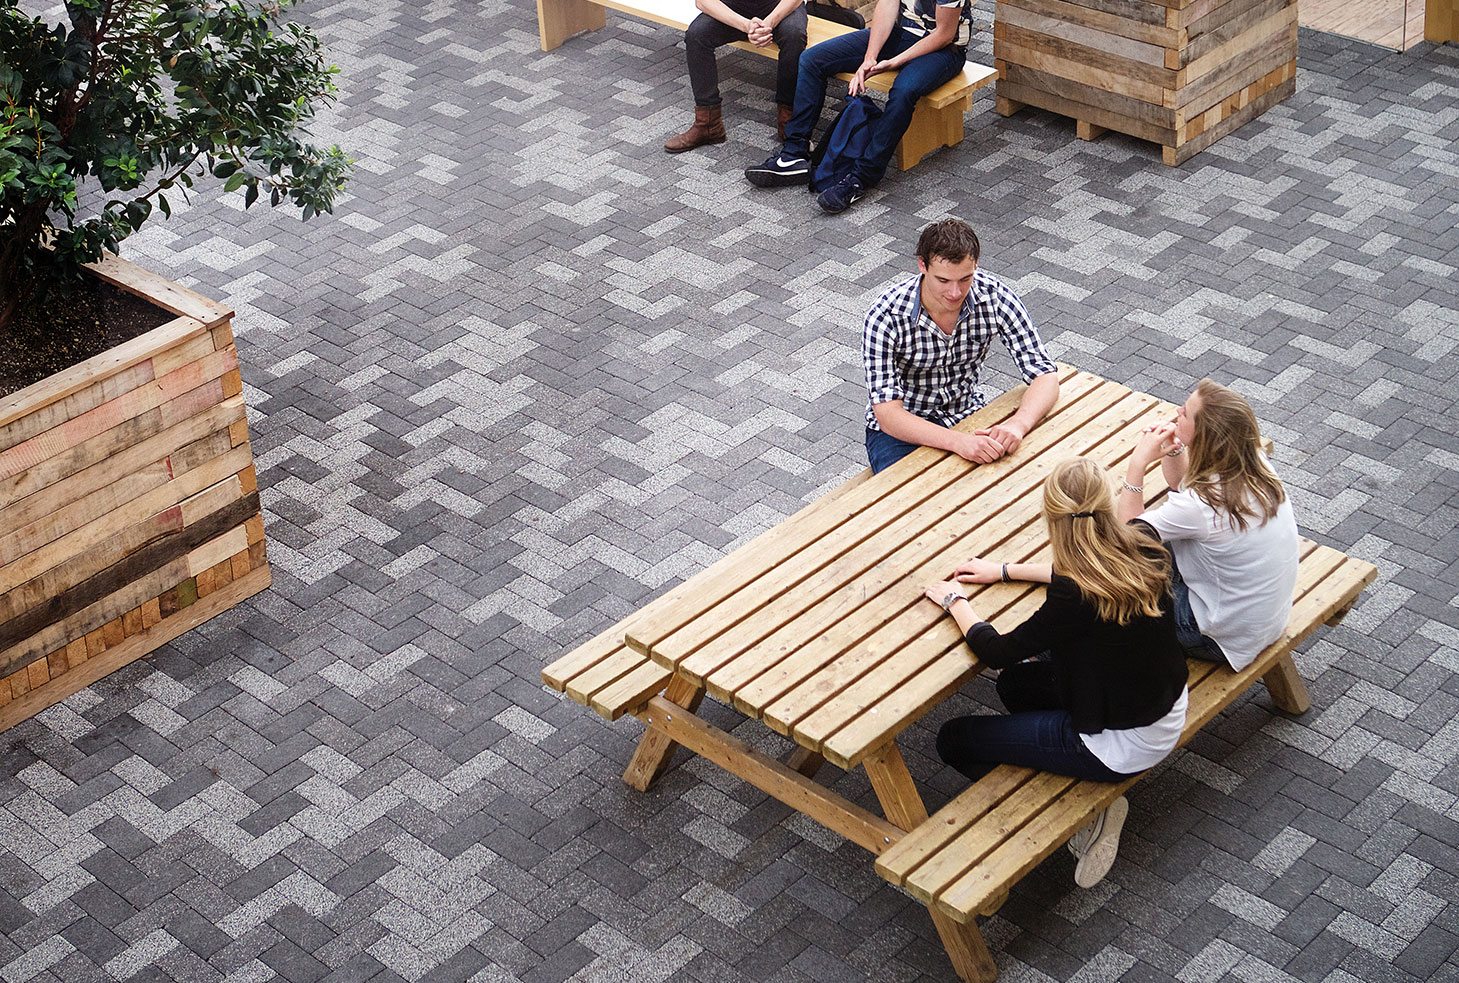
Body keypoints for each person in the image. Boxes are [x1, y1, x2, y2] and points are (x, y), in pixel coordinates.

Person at [925, 458, 1189, 888]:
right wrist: (1004, 570)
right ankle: (1062, 767)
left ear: (1052, 520)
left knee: (954, 739)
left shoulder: (1072, 597)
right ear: (1105, 506)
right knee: (1015, 687)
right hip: (1163, 708)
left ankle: (1083, 809)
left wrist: (956, 602)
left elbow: (997, 650)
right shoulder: (1143, 540)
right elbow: (1088, 569)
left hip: (1119, 745)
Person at [1116, 379, 1299, 673]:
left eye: (1185, 413)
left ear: (1204, 436)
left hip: (1219, 636)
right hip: (1262, 619)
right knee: (1147, 554)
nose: (1177, 412)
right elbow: (1179, 484)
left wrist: (1137, 464)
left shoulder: (1200, 505)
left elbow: (1125, 536)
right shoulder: (1252, 461)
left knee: (1114, 591)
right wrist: (1175, 450)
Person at [861, 218, 1059, 474]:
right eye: (943, 281)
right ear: (922, 265)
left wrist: (1018, 425)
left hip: (966, 413)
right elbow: (887, 413)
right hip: (902, 431)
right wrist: (958, 442)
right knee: (909, 505)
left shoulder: (995, 298)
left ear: (976, 264)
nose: (955, 292)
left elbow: (1044, 374)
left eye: (965, 279)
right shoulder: (885, 316)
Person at [743, 0, 972, 212]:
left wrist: (894, 61)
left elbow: (944, 34)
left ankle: (861, 177)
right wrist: (869, 58)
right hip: (902, 34)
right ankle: (794, 153)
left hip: (944, 51)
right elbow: (887, 4)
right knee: (813, 60)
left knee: (904, 91)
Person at [665, 0, 808, 153]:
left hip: (780, 6)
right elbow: (703, 2)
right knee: (697, 34)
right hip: (734, 7)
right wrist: (747, 26)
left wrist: (768, 23)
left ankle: (789, 123)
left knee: (794, 34)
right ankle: (708, 124)